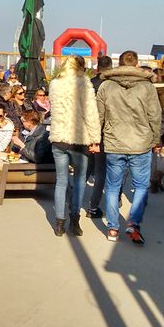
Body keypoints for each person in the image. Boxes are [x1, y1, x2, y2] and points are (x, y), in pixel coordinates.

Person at [96, 50, 162, 244]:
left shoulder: (106, 85)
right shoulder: (147, 87)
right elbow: (155, 115)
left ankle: (113, 229)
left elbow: (99, 115)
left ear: (120, 63)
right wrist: (156, 139)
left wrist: (95, 138)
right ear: (136, 64)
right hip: (140, 142)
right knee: (141, 185)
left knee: (113, 186)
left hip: (114, 141)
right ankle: (133, 223)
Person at [48, 56, 101, 236]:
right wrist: (95, 139)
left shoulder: (55, 84)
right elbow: (91, 114)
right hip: (78, 138)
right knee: (79, 181)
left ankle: (59, 223)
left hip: (59, 137)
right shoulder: (84, 84)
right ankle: (75, 220)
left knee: (61, 181)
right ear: (81, 67)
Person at [86, 55, 113, 219]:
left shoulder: (89, 83)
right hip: (104, 131)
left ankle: (73, 200)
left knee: (86, 168)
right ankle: (93, 206)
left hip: (88, 129)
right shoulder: (111, 85)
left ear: (97, 67)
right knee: (101, 171)